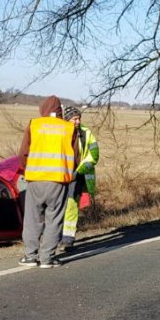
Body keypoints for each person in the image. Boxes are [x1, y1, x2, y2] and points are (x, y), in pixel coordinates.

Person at [16, 96, 78, 268]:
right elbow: (76, 157)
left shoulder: (34, 124)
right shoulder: (69, 128)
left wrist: (27, 170)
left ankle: (30, 256)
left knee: (32, 218)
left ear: (42, 108)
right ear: (60, 111)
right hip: (58, 181)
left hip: (36, 179)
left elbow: (23, 154)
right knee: (54, 219)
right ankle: (47, 258)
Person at [60, 105, 99, 250]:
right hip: (60, 175)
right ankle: (55, 237)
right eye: (74, 119)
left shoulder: (86, 133)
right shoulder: (60, 132)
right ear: (67, 119)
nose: (77, 121)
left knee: (71, 206)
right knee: (57, 207)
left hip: (76, 176)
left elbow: (94, 155)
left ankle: (68, 239)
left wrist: (78, 172)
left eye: (78, 118)